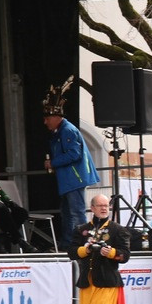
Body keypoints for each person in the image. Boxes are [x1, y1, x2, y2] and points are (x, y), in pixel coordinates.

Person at [70, 195, 131, 304]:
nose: (104, 209)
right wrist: (86, 249)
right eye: (100, 205)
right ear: (92, 207)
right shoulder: (81, 229)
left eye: (106, 206)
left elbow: (125, 255)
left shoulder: (118, 230)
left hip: (107, 282)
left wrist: (111, 252)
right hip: (87, 282)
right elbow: (72, 252)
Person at [43, 76, 99, 251]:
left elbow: (74, 154)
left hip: (73, 178)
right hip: (68, 179)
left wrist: (53, 162)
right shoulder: (61, 131)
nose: (45, 122)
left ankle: (83, 244)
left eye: (47, 118)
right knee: (67, 213)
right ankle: (67, 244)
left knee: (76, 212)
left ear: (56, 116)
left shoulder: (67, 130)